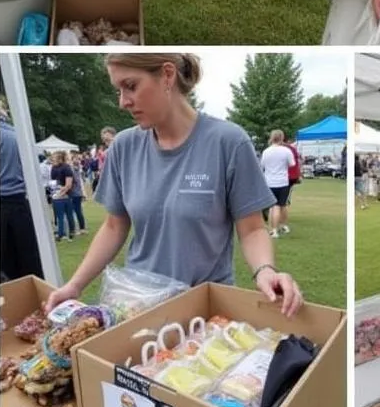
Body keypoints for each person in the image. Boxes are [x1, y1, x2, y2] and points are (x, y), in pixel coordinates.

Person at [43, 54, 303, 318]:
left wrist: (265, 270)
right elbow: (114, 225)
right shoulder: (124, 147)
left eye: (131, 86)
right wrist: (74, 285)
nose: (123, 102)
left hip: (206, 309)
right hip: (138, 306)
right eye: (118, 90)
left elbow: (252, 230)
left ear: (167, 75)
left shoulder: (229, 142)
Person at [0, 107, 43, 281]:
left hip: (6, 202)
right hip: (18, 202)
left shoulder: (9, 135)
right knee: (27, 262)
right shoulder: (18, 135)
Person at [260, 130, 295, 239]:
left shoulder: (266, 151)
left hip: (269, 182)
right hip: (282, 182)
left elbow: (262, 165)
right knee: (279, 206)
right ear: (282, 138)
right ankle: (275, 230)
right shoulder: (286, 151)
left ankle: (277, 227)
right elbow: (292, 164)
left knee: (274, 207)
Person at [50, 150, 77, 242]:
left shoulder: (66, 168)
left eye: (54, 157)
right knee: (60, 216)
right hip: (57, 193)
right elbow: (53, 182)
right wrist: (56, 193)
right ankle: (62, 233)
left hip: (65, 195)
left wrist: (61, 193)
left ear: (60, 158)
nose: (52, 159)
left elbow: (68, 184)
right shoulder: (53, 168)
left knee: (67, 215)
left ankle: (69, 232)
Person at [69, 154, 87, 236]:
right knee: (78, 211)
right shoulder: (77, 169)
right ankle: (82, 228)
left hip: (75, 193)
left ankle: (81, 228)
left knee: (76, 211)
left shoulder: (74, 169)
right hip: (78, 192)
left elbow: (75, 181)